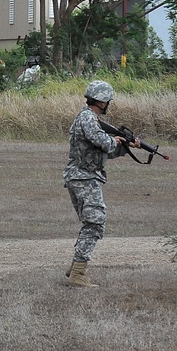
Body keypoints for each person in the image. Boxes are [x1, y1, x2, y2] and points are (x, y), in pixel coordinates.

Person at [62, 80, 140, 288]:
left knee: (91, 223)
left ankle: (76, 266)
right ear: (103, 101)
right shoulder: (88, 119)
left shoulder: (89, 119)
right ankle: (79, 272)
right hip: (83, 178)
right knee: (95, 222)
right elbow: (105, 143)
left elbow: (104, 150)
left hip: (83, 177)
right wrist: (116, 139)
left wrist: (127, 145)